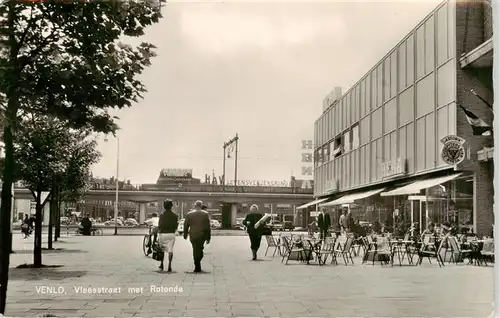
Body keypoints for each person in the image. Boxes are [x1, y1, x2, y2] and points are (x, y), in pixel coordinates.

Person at [184, 200, 211, 272]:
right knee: (200, 249)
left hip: (193, 234)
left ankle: (196, 264)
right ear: (201, 206)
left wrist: (185, 234)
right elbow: (208, 227)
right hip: (202, 235)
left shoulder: (189, 214)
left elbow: (186, 225)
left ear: (195, 206)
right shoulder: (205, 214)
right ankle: (197, 264)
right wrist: (208, 237)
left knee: (195, 249)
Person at [157, 200, 178, 272]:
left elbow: (160, 225)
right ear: (171, 206)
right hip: (171, 234)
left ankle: (162, 264)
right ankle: (169, 265)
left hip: (163, 234)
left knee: (162, 250)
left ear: (164, 206)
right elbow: (176, 226)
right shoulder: (175, 215)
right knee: (170, 250)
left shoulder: (162, 215)